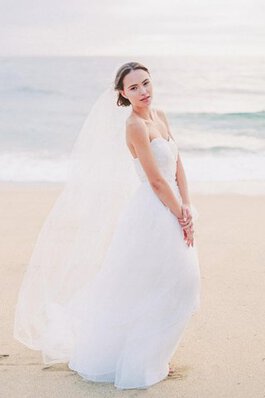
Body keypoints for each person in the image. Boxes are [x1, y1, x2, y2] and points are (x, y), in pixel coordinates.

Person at [13, 61, 201, 390]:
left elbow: (178, 165)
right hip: (153, 212)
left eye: (145, 83)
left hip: (174, 208)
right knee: (160, 283)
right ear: (122, 94)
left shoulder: (161, 116)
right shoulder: (134, 127)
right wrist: (178, 214)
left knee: (179, 283)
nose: (143, 91)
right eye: (134, 88)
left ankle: (154, 352)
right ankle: (142, 358)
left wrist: (187, 208)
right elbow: (156, 181)